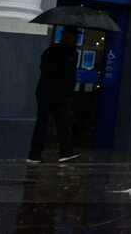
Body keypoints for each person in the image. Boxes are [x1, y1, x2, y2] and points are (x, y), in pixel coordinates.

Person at [27, 28, 79, 163]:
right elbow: (48, 68)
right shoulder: (55, 51)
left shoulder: (72, 52)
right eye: (72, 36)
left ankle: (65, 152)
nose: (74, 39)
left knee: (62, 123)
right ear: (66, 36)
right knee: (44, 123)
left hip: (59, 93)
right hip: (49, 92)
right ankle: (35, 154)